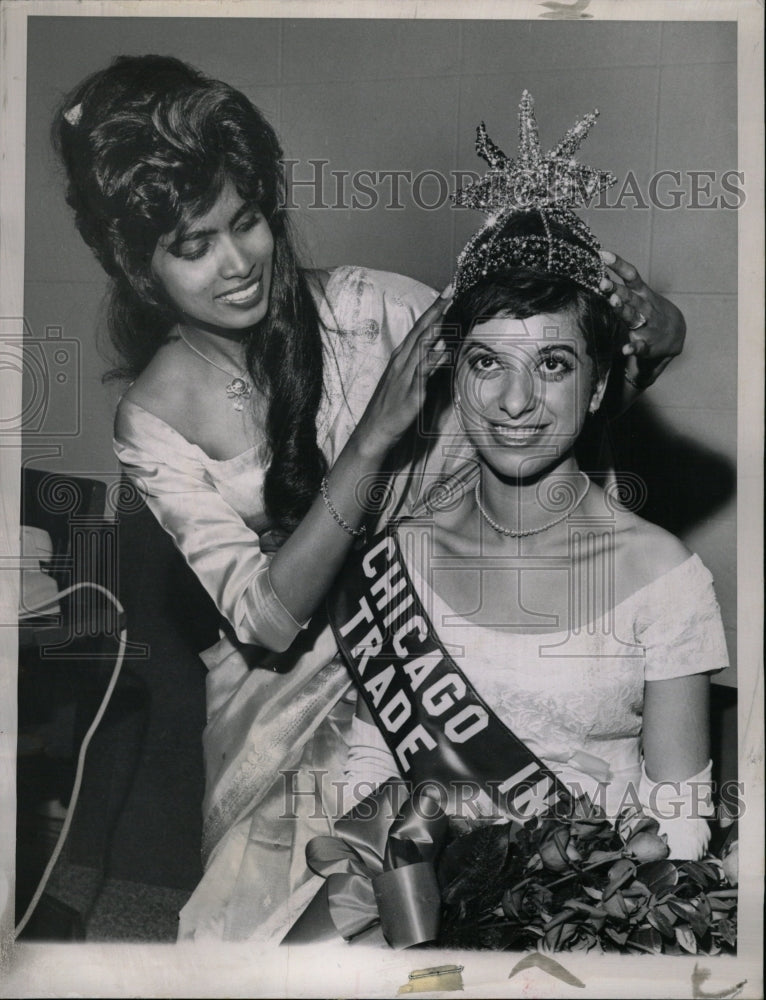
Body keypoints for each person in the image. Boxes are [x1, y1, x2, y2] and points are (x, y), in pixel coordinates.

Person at [52, 60, 688, 940]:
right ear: (137, 263)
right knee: (283, 932)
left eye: (247, 222)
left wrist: (655, 343)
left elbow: (525, 422)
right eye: (193, 246)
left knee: (504, 905)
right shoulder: (151, 417)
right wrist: (374, 437)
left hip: (451, 641)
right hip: (286, 694)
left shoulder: (371, 308)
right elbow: (264, 622)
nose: (236, 264)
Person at [333, 95, 729, 890]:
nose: (515, 403)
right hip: (416, 895)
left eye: (552, 364)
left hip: (586, 914)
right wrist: (371, 870)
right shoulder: (400, 555)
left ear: (597, 387)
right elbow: (369, 766)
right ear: (456, 376)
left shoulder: (665, 575)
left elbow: (681, 819)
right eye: (487, 362)